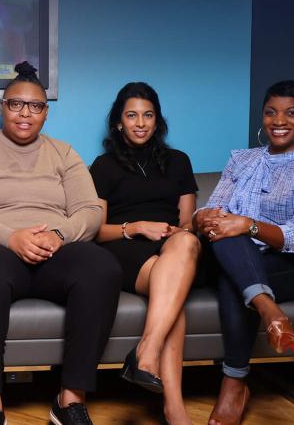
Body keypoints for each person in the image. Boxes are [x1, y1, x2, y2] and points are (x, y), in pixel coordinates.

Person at [0, 62, 121, 425]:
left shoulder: (63, 152)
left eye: (36, 106)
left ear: (46, 112)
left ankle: (70, 398)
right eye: (16, 104)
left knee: (102, 266)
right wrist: (10, 237)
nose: (25, 113)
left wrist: (58, 235)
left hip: (55, 252)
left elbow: (90, 211)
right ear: (2, 107)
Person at [195, 80, 294, 425]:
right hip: (231, 254)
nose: (279, 120)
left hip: (289, 266)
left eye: (292, 113)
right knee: (231, 240)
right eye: (271, 112)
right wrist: (205, 219)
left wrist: (248, 225)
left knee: (235, 271)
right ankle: (267, 308)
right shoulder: (241, 160)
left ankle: (234, 383)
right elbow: (212, 212)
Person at [88, 83, 200, 425]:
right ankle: (174, 409)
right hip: (126, 249)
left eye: (148, 115)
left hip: (174, 247)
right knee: (174, 294)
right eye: (132, 115)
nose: (140, 123)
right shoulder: (103, 166)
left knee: (185, 245)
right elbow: (95, 230)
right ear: (119, 122)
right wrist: (135, 226)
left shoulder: (179, 161)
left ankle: (145, 353)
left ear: (157, 121)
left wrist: (170, 233)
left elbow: (188, 225)